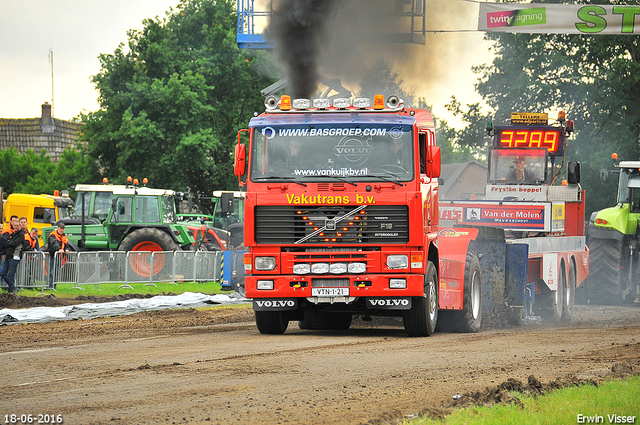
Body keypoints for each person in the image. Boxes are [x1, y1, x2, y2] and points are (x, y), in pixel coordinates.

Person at [0, 215, 25, 294]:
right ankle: (13, 287)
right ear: (12, 225)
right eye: (14, 225)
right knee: (2, 273)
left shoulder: (21, 234)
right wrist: (9, 243)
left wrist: (9, 242)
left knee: (11, 274)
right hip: (8, 256)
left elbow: (14, 243)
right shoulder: (12, 234)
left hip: (15, 256)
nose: (16, 227)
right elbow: (6, 243)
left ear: (20, 226)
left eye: (17, 225)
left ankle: (11, 291)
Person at [47, 222, 70, 289]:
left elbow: (67, 244)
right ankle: (50, 286)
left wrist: (67, 249)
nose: (61, 230)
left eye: (63, 228)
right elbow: (54, 243)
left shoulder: (64, 236)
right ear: (57, 228)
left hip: (59, 257)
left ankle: (54, 286)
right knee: (52, 272)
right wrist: (59, 249)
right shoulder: (53, 235)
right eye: (60, 228)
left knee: (57, 272)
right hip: (52, 256)